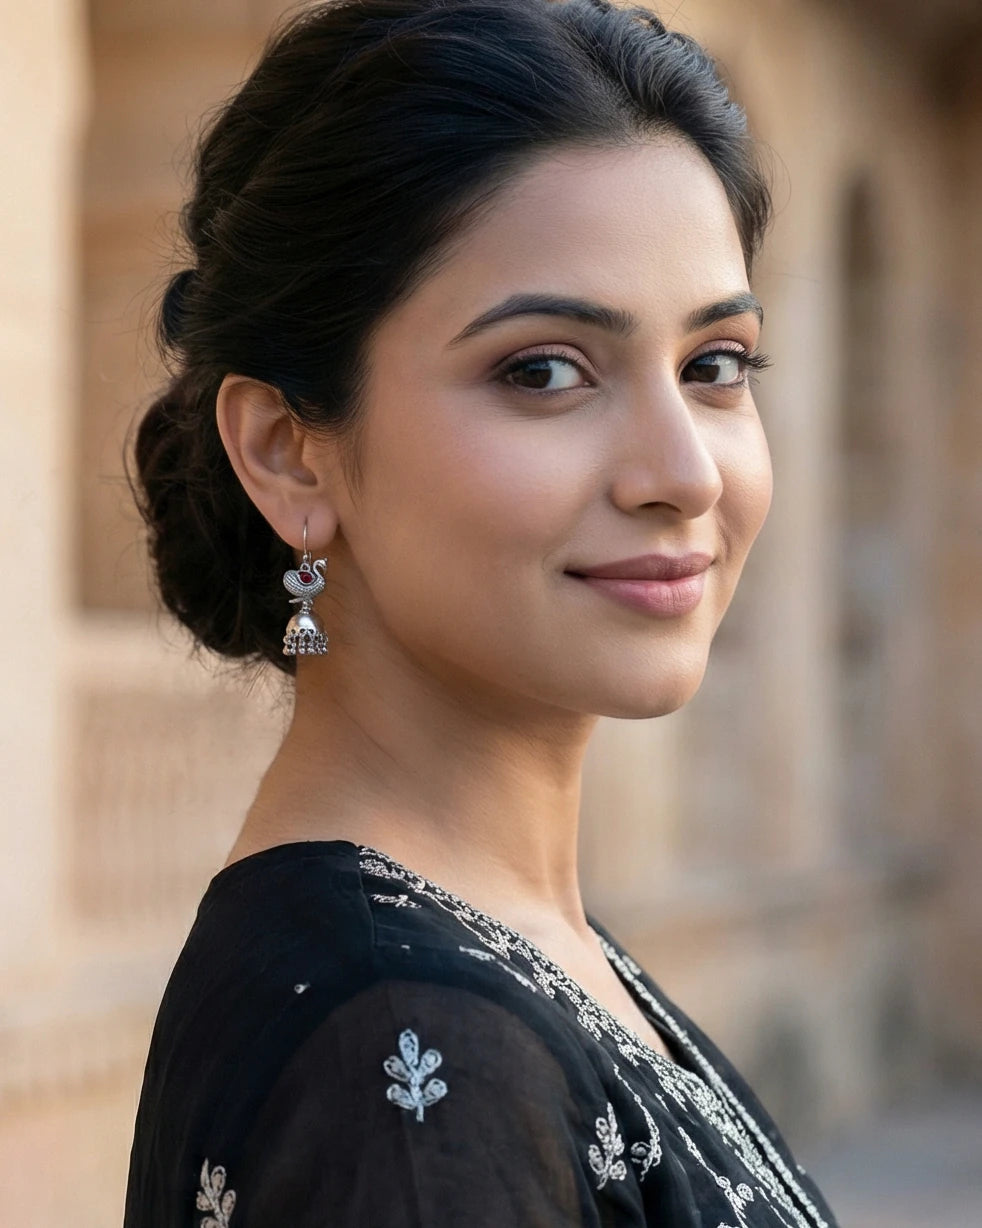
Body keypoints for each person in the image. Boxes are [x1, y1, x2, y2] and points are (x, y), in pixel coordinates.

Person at [121, 1, 841, 1224]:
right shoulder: (408, 1059)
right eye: (544, 370)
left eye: (713, 364)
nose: (683, 472)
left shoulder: (487, 943)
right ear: (290, 452)